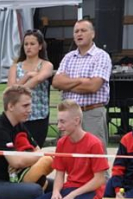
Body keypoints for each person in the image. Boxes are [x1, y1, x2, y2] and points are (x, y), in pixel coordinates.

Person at [52, 19, 111, 150]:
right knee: (66, 156)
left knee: (95, 157)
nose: (79, 34)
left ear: (93, 34)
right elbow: (56, 82)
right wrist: (81, 80)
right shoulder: (68, 57)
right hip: (69, 115)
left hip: (91, 113)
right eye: (76, 31)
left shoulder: (101, 56)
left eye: (83, 30)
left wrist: (68, 83)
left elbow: (93, 86)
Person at [8, 30, 54, 148]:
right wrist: (27, 76)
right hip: (18, 116)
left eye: (32, 44)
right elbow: (9, 90)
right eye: (26, 44)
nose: (28, 47)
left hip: (38, 116)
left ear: (40, 46)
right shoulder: (15, 67)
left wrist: (17, 89)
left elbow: (38, 79)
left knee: (35, 149)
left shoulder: (46, 65)